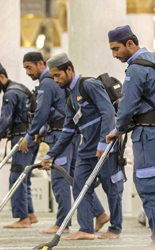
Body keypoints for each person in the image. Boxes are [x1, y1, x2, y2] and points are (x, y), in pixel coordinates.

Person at [105, 25, 155, 250]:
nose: (114, 54)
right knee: (150, 181)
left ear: (130, 43)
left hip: (147, 132)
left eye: (116, 49)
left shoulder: (137, 68)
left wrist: (117, 129)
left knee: (147, 183)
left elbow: (127, 105)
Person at [21, 52, 108, 235]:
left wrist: (29, 136)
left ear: (40, 64)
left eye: (29, 67)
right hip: (67, 134)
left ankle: (63, 223)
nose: (28, 72)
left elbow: (42, 113)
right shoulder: (54, 82)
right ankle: (99, 213)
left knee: (60, 179)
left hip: (62, 136)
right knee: (77, 178)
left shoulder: (46, 83)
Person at [42, 53, 123, 240]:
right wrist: (51, 154)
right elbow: (68, 131)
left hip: (106, 148)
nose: (55, 80)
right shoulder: (70, 98)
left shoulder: (89, 85)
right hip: (86, 150)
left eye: (57, 75)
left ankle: (115, 228)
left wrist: (104, 142)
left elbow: (108, 111)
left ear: (69, 70)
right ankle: (86, 229)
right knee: (79, 186)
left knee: (112, 188)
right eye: (53, 76)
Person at [0, 62, 39, 229]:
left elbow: (5, 120)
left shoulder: (10, 93)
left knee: (16, 176)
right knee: (25, 175)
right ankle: (30, 214)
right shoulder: (22, 88)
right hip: (33, 137)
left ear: (2, 77)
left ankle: (23, 219)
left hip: (21, 139)